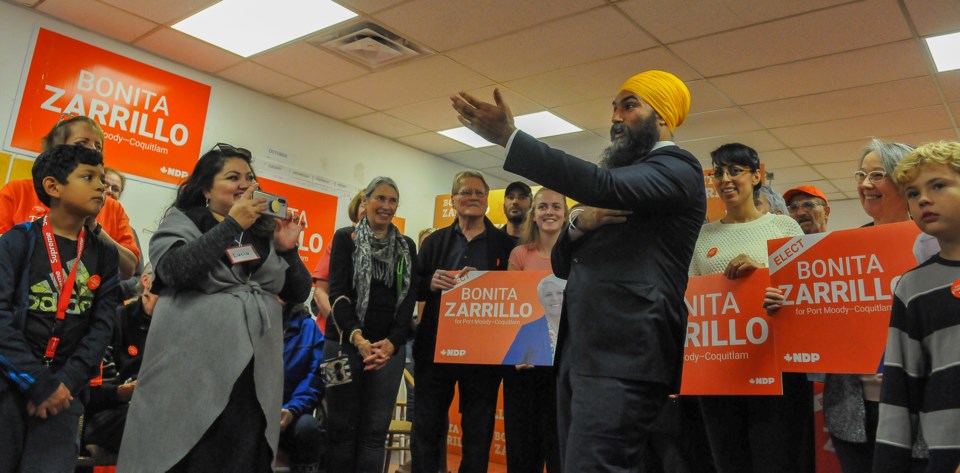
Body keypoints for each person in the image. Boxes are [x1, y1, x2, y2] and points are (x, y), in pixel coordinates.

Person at [451, 70, 706, 471]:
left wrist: (510, 138)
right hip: (581, 355)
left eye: (629, 105)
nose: (616, 117)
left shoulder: (676, 168)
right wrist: (577, 224)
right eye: (614, 108)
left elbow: (601, 184)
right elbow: (562, 264)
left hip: (625, 356)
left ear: (663, 117)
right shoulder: (621, 185)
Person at [116, 143, 312, 473]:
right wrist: (231, 225)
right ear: (206, 187)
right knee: (191, 453)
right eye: (232, 177)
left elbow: (297, 291)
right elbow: (175, 270)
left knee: (240, 452)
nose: (244, 184)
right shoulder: (184, 221)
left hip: (252, 374)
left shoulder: (262, 232)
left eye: (249, 177)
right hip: (192, 372)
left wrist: (288, 250)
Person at [690, 143, 811, 473]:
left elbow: (801, 297)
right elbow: (692, 304)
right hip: (720, 374)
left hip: (773, 369)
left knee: (776, 459)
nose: (725, 179)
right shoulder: (702, 237)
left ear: (756, 175)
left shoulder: (783, 228)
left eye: (735, 170)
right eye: (718, 173)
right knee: (729, 461)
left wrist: (760, 273)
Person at [0, 144, 120, 472]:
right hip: (9, 387)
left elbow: (101, 327)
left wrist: (64, 383)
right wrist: (38, 383)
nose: (102, 185)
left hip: (66, 394)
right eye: (88, 177)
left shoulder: (104, 255)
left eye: (102, 178)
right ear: (53, 187)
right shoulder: (17, 241)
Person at [818, 139, 918, 473]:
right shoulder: (841, 250)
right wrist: (787, 305)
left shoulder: (938, 244)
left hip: (920, 411)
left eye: (877, 175)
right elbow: (822, 323)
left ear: (904, 180)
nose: (864, 184)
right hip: (853, 410)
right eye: (861, 174)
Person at [413, 170, 515, 473]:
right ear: (454, 200)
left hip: (483, 356)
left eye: (479, 193)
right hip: (434, 352)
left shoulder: (505, 245)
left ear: (487, 201)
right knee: (427, 429)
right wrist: (430, 282)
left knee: (478, 433)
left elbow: (514, 295)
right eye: (465, 192)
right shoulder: (433, 242)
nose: (473, 197)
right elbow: (412, 287)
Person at [874, 140, 960, 473]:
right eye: (912, 193)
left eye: (938, 185)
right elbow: (899, 391)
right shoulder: (913, 287)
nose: (923, 198)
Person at [324, 176, 418, 473]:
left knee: (375, 434)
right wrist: (359, 341)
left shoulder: (406, 246)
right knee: (339, 429)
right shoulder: (345, 238)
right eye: (380, 198)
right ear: (365, 201)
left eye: (392, 200)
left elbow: (408, 301)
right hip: (342, 346)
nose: (387, 206)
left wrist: (392, 343)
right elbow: (337, 293)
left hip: (387, 352)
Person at [0, 116, 140, 279]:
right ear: (56, 149)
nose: (92, 150)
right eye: (81, 143)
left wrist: (94, 228)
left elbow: (128, 270)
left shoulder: (111, 207)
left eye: (98, 146)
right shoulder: (18, 191)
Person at [501, 188, 567, 473]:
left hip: (564, 368)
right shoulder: (519, 254)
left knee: (559, 447)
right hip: (525, 367)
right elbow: (511, 311)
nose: (549, 212)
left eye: (556, 207)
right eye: (542, 207)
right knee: (523, 449)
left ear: (565, 215)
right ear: (534, 214)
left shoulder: (577, 255)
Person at [82, 265, 157, 456]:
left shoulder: (178, 326)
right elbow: (90, 391)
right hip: (111, 412)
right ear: (146, 281)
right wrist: (124, 392)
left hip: (158, 409)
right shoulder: (114, 320)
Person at [280, 302, 325, 473]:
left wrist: (293, 409)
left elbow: (316, 375)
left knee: (309, 428)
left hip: (292, 412)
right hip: (254, 414)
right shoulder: (253, 321)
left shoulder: (308, 328)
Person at [312, 191, 364, 323]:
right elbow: (320, 293)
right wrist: (338, 325)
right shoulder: (342, 239)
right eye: (364, 204)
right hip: (335, 332)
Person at [102, 166, 145, 300]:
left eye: (115, 189)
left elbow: (138, 277)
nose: (109, 191)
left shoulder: (129, 231)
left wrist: (110, 290)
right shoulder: (79, 220)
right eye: (105, 184)